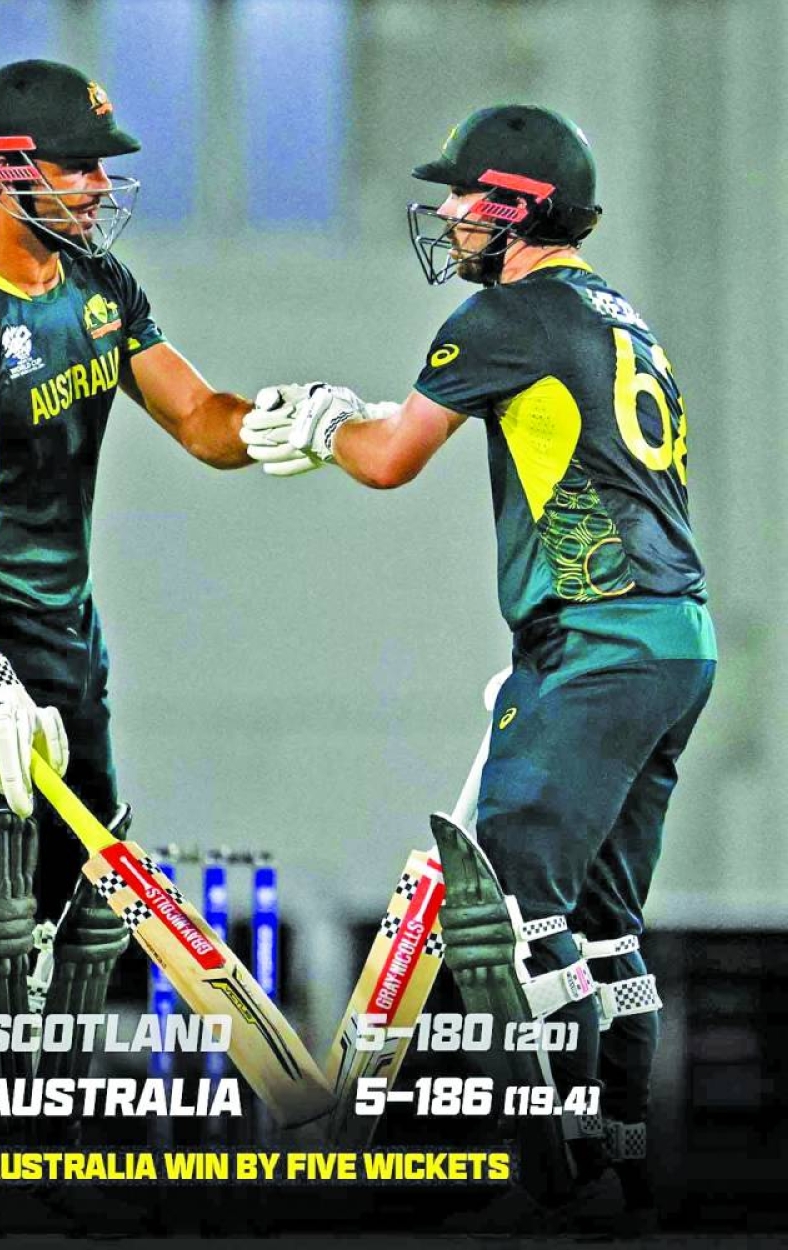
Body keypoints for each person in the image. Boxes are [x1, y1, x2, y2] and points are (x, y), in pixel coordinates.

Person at [242, 104, 717, 1224]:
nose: (449, 214)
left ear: (517, 206)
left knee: (507, 905)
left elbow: (392, 456)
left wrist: (318, 422)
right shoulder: (618, 315)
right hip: (669, 637)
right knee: (608, 928)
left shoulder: (504, 314)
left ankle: (560, 1178)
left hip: (595, 640)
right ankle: (625, 1164)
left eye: (467, 195)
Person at [0, 58, 288, 1231]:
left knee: (87, 910)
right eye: (82, 165)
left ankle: (50, 1160)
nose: (105, 186)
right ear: (8, 173)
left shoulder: (97, 282)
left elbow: (203, 423)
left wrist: (297, 422)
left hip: (66, 639)